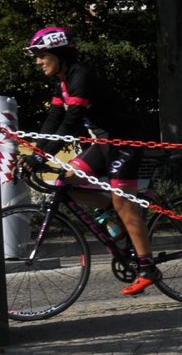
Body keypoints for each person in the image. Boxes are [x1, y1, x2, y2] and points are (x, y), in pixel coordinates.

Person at [27, 26, 158, 296]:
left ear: (59, 53)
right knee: (65, 182)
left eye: (41, 55)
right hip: (103, 142)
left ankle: (147, 267)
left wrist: (43, 155)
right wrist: (34, 154)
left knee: (122, 200)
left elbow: (71, 122)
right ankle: (118, 215)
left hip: (125, 141)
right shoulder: (61, 82)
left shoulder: (80, 76)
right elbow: (53, 120)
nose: (37, 61)